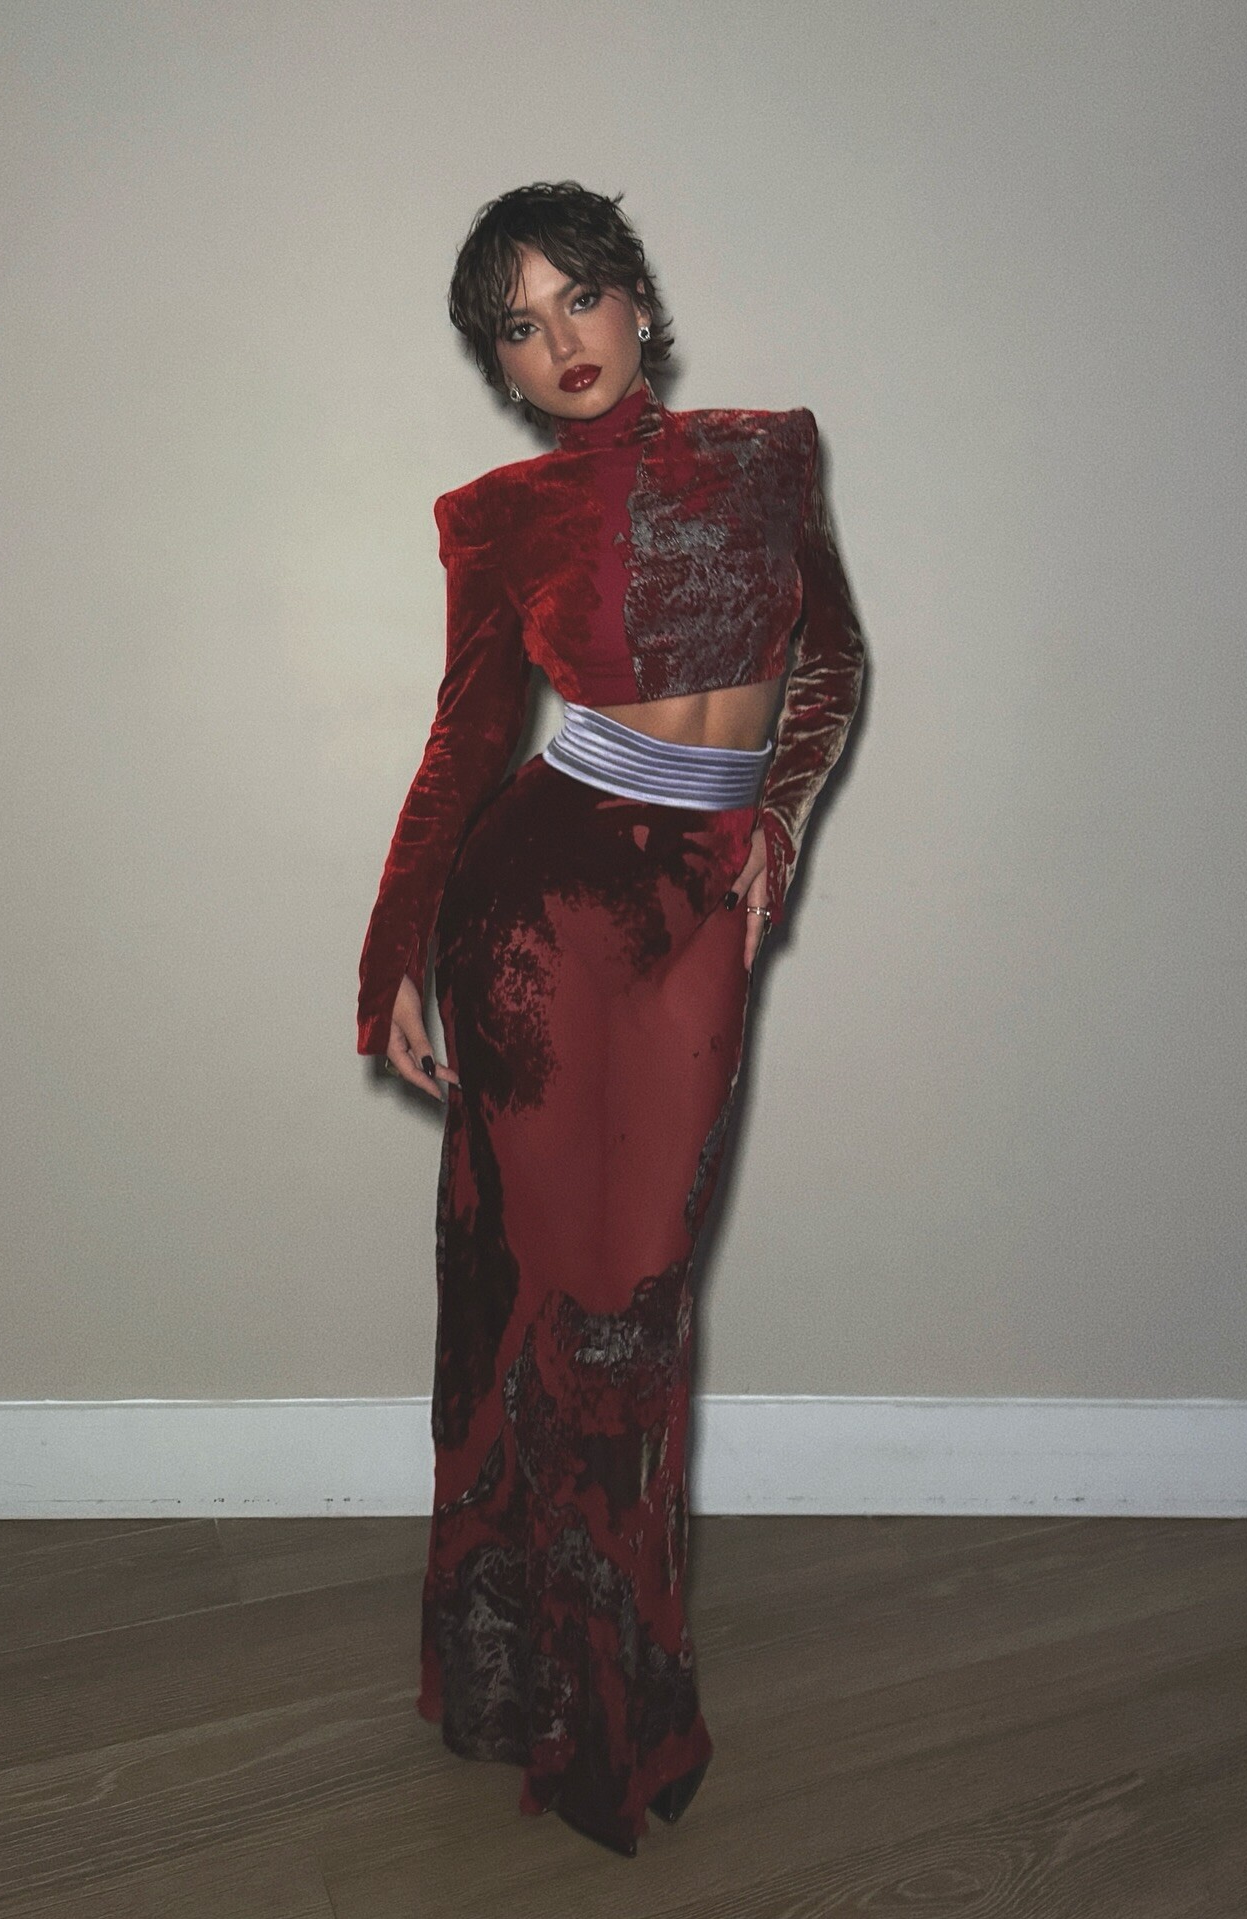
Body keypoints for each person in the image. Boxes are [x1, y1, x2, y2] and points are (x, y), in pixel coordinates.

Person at [356, 181, 866, 1857]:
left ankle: (576, 1684)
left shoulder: (773, 454)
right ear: (500, 365)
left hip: (697, 907)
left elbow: (833, 665)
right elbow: (464, 743)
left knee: (640, 1299)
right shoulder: (498, 516)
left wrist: (778, 818)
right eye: (520, 325)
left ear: (637, 296)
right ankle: (589, 1711)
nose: (561, 341)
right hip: (543, 910)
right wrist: (395, 954)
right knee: (563, 1296)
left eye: (579, 296)